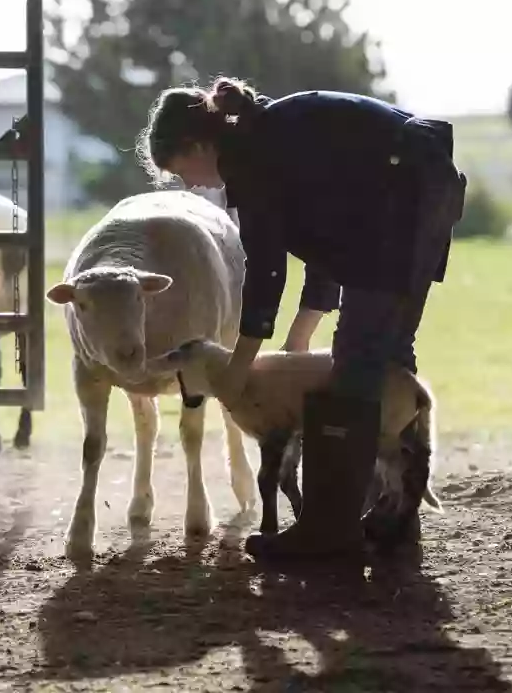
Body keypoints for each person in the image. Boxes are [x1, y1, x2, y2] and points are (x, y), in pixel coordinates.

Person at [138, 76, 467, 563]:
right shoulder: (268, 135)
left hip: (403, 196)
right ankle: (394, 519)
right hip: (419, 186)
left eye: (183, 170)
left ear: (199, 144)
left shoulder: (253, 159)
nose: (191, 185)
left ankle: (327, 534)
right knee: (385, 354)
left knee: (357, 363)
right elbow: (326, 241)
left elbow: (267, 270)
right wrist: (303, 331)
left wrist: (239, 366)